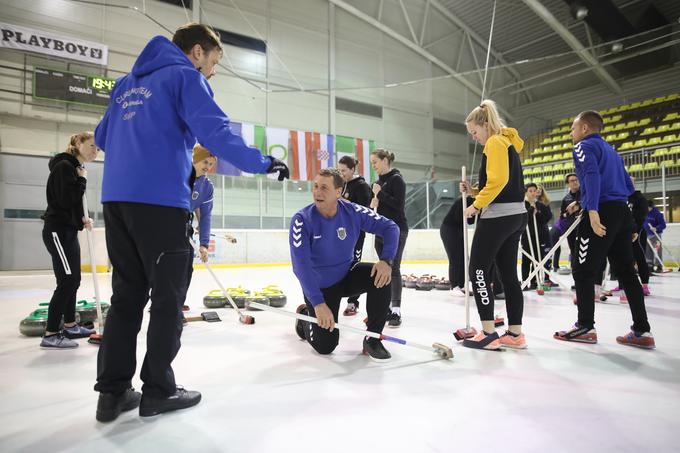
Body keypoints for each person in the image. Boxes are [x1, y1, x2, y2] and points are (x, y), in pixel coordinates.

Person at [93, 23, 289, 423]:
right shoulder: (185, 77)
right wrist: (265, 163)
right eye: (213, 62)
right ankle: (158, 391)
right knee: (167, 301)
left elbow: (102, 136)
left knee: (126, 298)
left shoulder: (126, 84)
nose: (212, 71)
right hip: (160, 204)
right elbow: (216, 133)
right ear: (197, 52)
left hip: (116, 201)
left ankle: (112, 394)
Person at [554, 111, 654, 349]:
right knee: (627, 274)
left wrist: (591, 209)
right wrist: (632, 222)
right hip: (621, 212)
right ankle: (642, 330)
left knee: (582, 270)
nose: (571, 133)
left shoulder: (583, 146)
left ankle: (585, 326)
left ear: (585, 128)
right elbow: (630, 189)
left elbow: (591, 175)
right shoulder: (613, 152)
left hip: (601, 211)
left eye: (573, 128)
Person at [290, 169, 399, 361]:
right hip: (320, 288)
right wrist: (318, 303)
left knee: (382, 275)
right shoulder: (302, 220)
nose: (317, 192)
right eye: (315, 186)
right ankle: (305, 318)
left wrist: (386, 260)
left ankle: (372, 338)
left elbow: (391, 228)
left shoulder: (353, 212)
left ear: (338, 192)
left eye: (324, 187)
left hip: (346, 275)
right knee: (326, 347)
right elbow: (301, 267)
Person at [460, 99, 528, 350]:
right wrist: (474, 190)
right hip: (515, 215)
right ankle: (515, 333)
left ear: (485, 124)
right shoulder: (506, 142)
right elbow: (503, 184)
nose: (474, 138)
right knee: (509, 274)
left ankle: (488, 332)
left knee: (477, 269)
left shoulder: (495, 142)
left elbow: (498, 181)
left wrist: (476, 205)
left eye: (474, 132)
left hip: (498, 217)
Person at [40, 132, 98, 349]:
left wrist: (83, 218)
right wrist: (82, 180)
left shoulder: (74, 168)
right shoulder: (64, 166)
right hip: (58, 232)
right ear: (77, 143)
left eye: (98, 149)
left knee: (74, 280)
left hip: (68, 230)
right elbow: (64, 201)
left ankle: (71, 325)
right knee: (67, 281)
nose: (95, 151)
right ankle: (51, 333)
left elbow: (72, 203)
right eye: (91, 146)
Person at [370, 149, 408, 327]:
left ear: (385, 160)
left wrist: (381, 194)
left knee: (393, 268)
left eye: (375, 162)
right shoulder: (378, 182)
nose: (374, 166)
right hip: (381, 230)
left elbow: (399, 206)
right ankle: (384, 307)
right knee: (383, 268)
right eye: (372, 163)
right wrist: (374, 202)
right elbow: (380, 206)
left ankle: (396, 310)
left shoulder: (396, 179)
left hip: (397, 229)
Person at [337, 155, 372, 316]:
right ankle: (336, 295)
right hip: (341, 232)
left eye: (344, 170)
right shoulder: (341, 185)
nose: (341, 173)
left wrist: (346, 203)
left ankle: (353, 302)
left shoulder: (362, 186)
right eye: (339, 170)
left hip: (356, 233)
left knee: (354, 264)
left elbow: (365, 211)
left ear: (352, 169)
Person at [440, 193, 475, 295]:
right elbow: (458, 217)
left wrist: (475, 212)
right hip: (449, 229)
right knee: (455, 258)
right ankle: (454, 286)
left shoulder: (475, 203)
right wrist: (472, 211)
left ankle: (462, 284)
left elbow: (470, 221)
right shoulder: (465, 200)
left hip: (459, 230)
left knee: (464, 258)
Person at [521, 183, 552, 289]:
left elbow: (546, 219)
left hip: (539, 236)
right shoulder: (522, 205)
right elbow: (523, 220)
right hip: (527, 236)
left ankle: (535, 281)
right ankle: (525, 281)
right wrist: (530, 210)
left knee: (538, 260)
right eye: (530, 191)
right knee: (526, 260)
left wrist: (537, 212)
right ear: (526, 192)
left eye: (534, 191)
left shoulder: (540, 205)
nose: (533, 193)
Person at [552, 174, 581, 270]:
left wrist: (578, 204)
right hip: (571, 229)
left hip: (584, 227)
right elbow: (562, 216)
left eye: (576, 180)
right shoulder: (566, 199)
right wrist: (569, 212)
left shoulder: (585, 194)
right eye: (572, 181)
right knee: (574, 252)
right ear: (568, 184)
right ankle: (575, 276)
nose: (575, 182)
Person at [644, 200, 666, 271]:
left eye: (647, 207)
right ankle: (650, 265)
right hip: (647, 235)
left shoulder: (657, 214)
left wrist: (656, 228)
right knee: (648, 251)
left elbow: (663, 225)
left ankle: (659, 266)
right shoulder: (645, 213)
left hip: (656, 235)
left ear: (651, 207)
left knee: (657, 250)